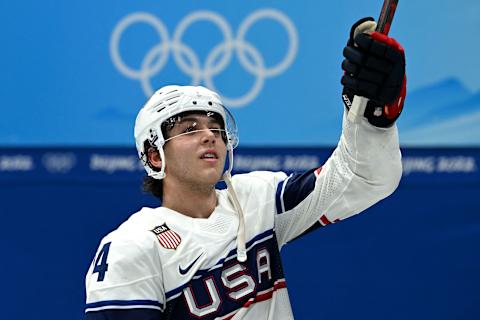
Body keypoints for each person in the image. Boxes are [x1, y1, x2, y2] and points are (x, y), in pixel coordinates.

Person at [85, 17, 406, 319]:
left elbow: (363, 177)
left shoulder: (258, 201)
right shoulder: (131, 247)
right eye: (189, 129)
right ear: (155, 156)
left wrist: (372, 114)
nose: (209, 135)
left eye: (216, 127)